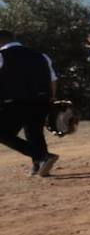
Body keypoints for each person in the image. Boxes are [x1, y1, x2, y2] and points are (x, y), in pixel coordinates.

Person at [0, 29, 59, 177]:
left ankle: (42, 156)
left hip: (15, 102)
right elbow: (52, 80)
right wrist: (51, 98)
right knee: (34, 132)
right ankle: (39, 166)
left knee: (3, 133)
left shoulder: (2, 56)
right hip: (42, 100)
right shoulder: (41, 55)